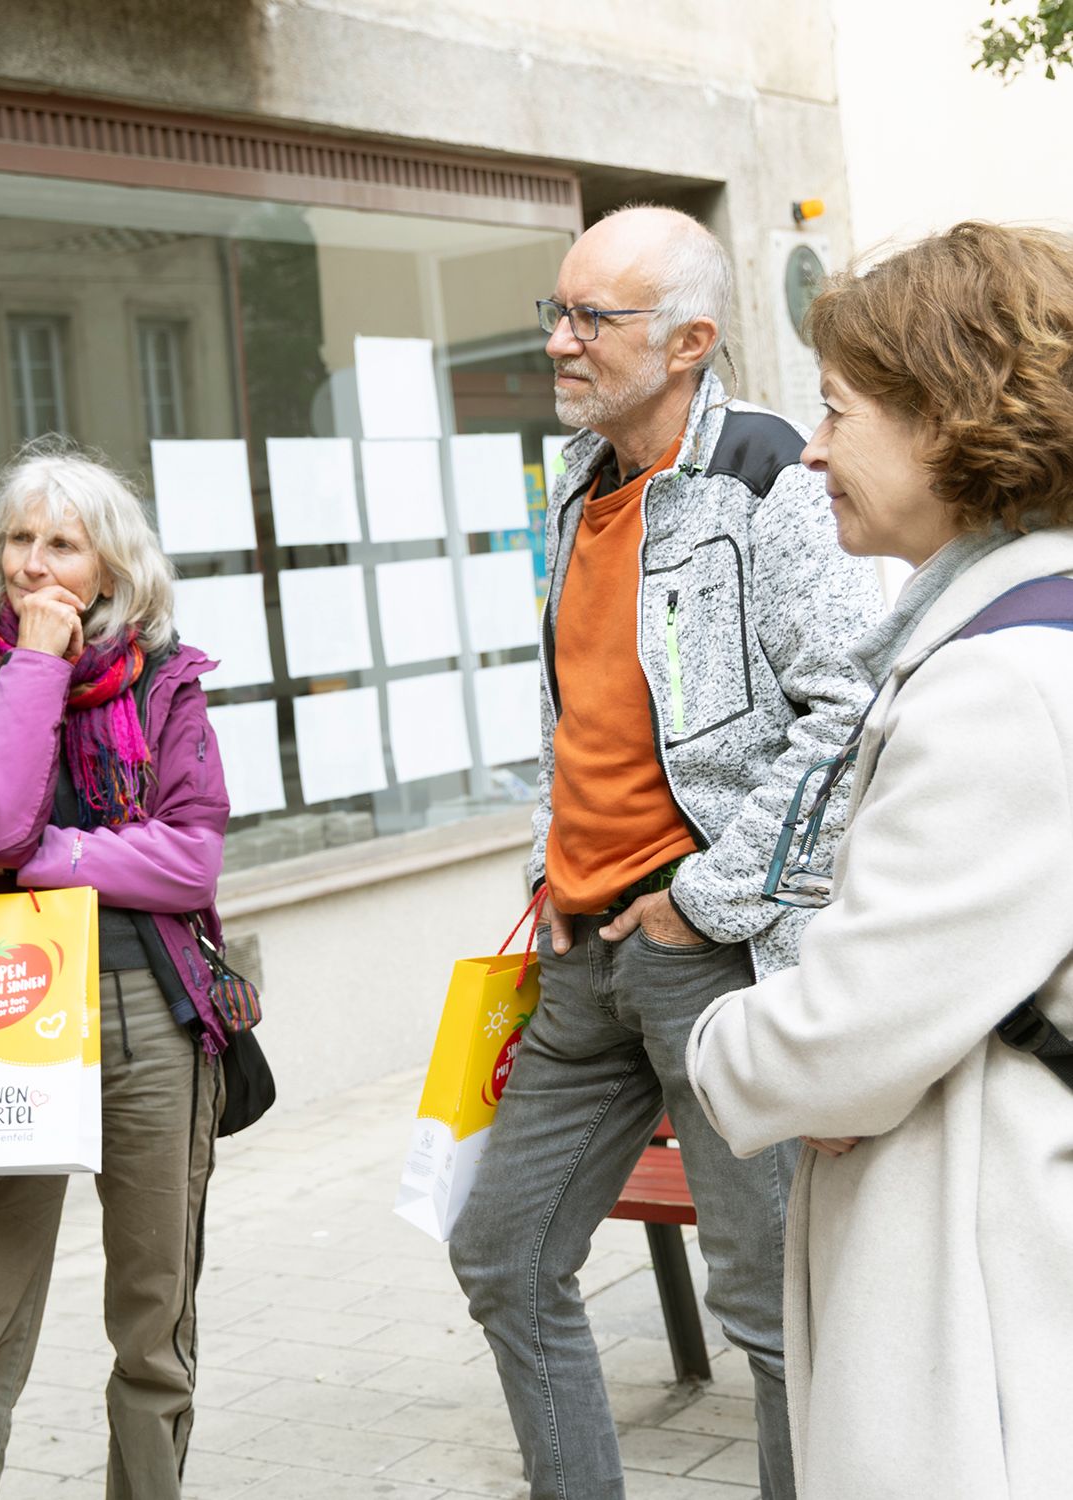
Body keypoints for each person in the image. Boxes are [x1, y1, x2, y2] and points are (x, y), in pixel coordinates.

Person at [444, 206, 884, 1500]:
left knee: (767, 1313)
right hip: (584, 955)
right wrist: (546, 869)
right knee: (502, 1255)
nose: (560, 344)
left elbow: (848, 710)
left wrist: (707, 897)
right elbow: (572, 712)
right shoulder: (579, 479)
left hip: (712, 956)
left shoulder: (768, 478)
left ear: (688, 341)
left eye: (594, 319)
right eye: (557, 312)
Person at [687, 222, 1073, 1500]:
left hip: (985, 1281)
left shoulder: (1000, 689)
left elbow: (844, 1043)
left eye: (838, 411)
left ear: (951, 421)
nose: (807, 449)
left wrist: (726, 1048)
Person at [0, 445, 232, 1499]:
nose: (34, 563)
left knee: (153, 1320)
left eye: (61, 543)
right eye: (19, 540)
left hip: (150, 1013)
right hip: (2, 1013)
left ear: (110, 572)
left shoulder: (169, 685)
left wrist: (43, 858)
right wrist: (35, 663)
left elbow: (191, 859)